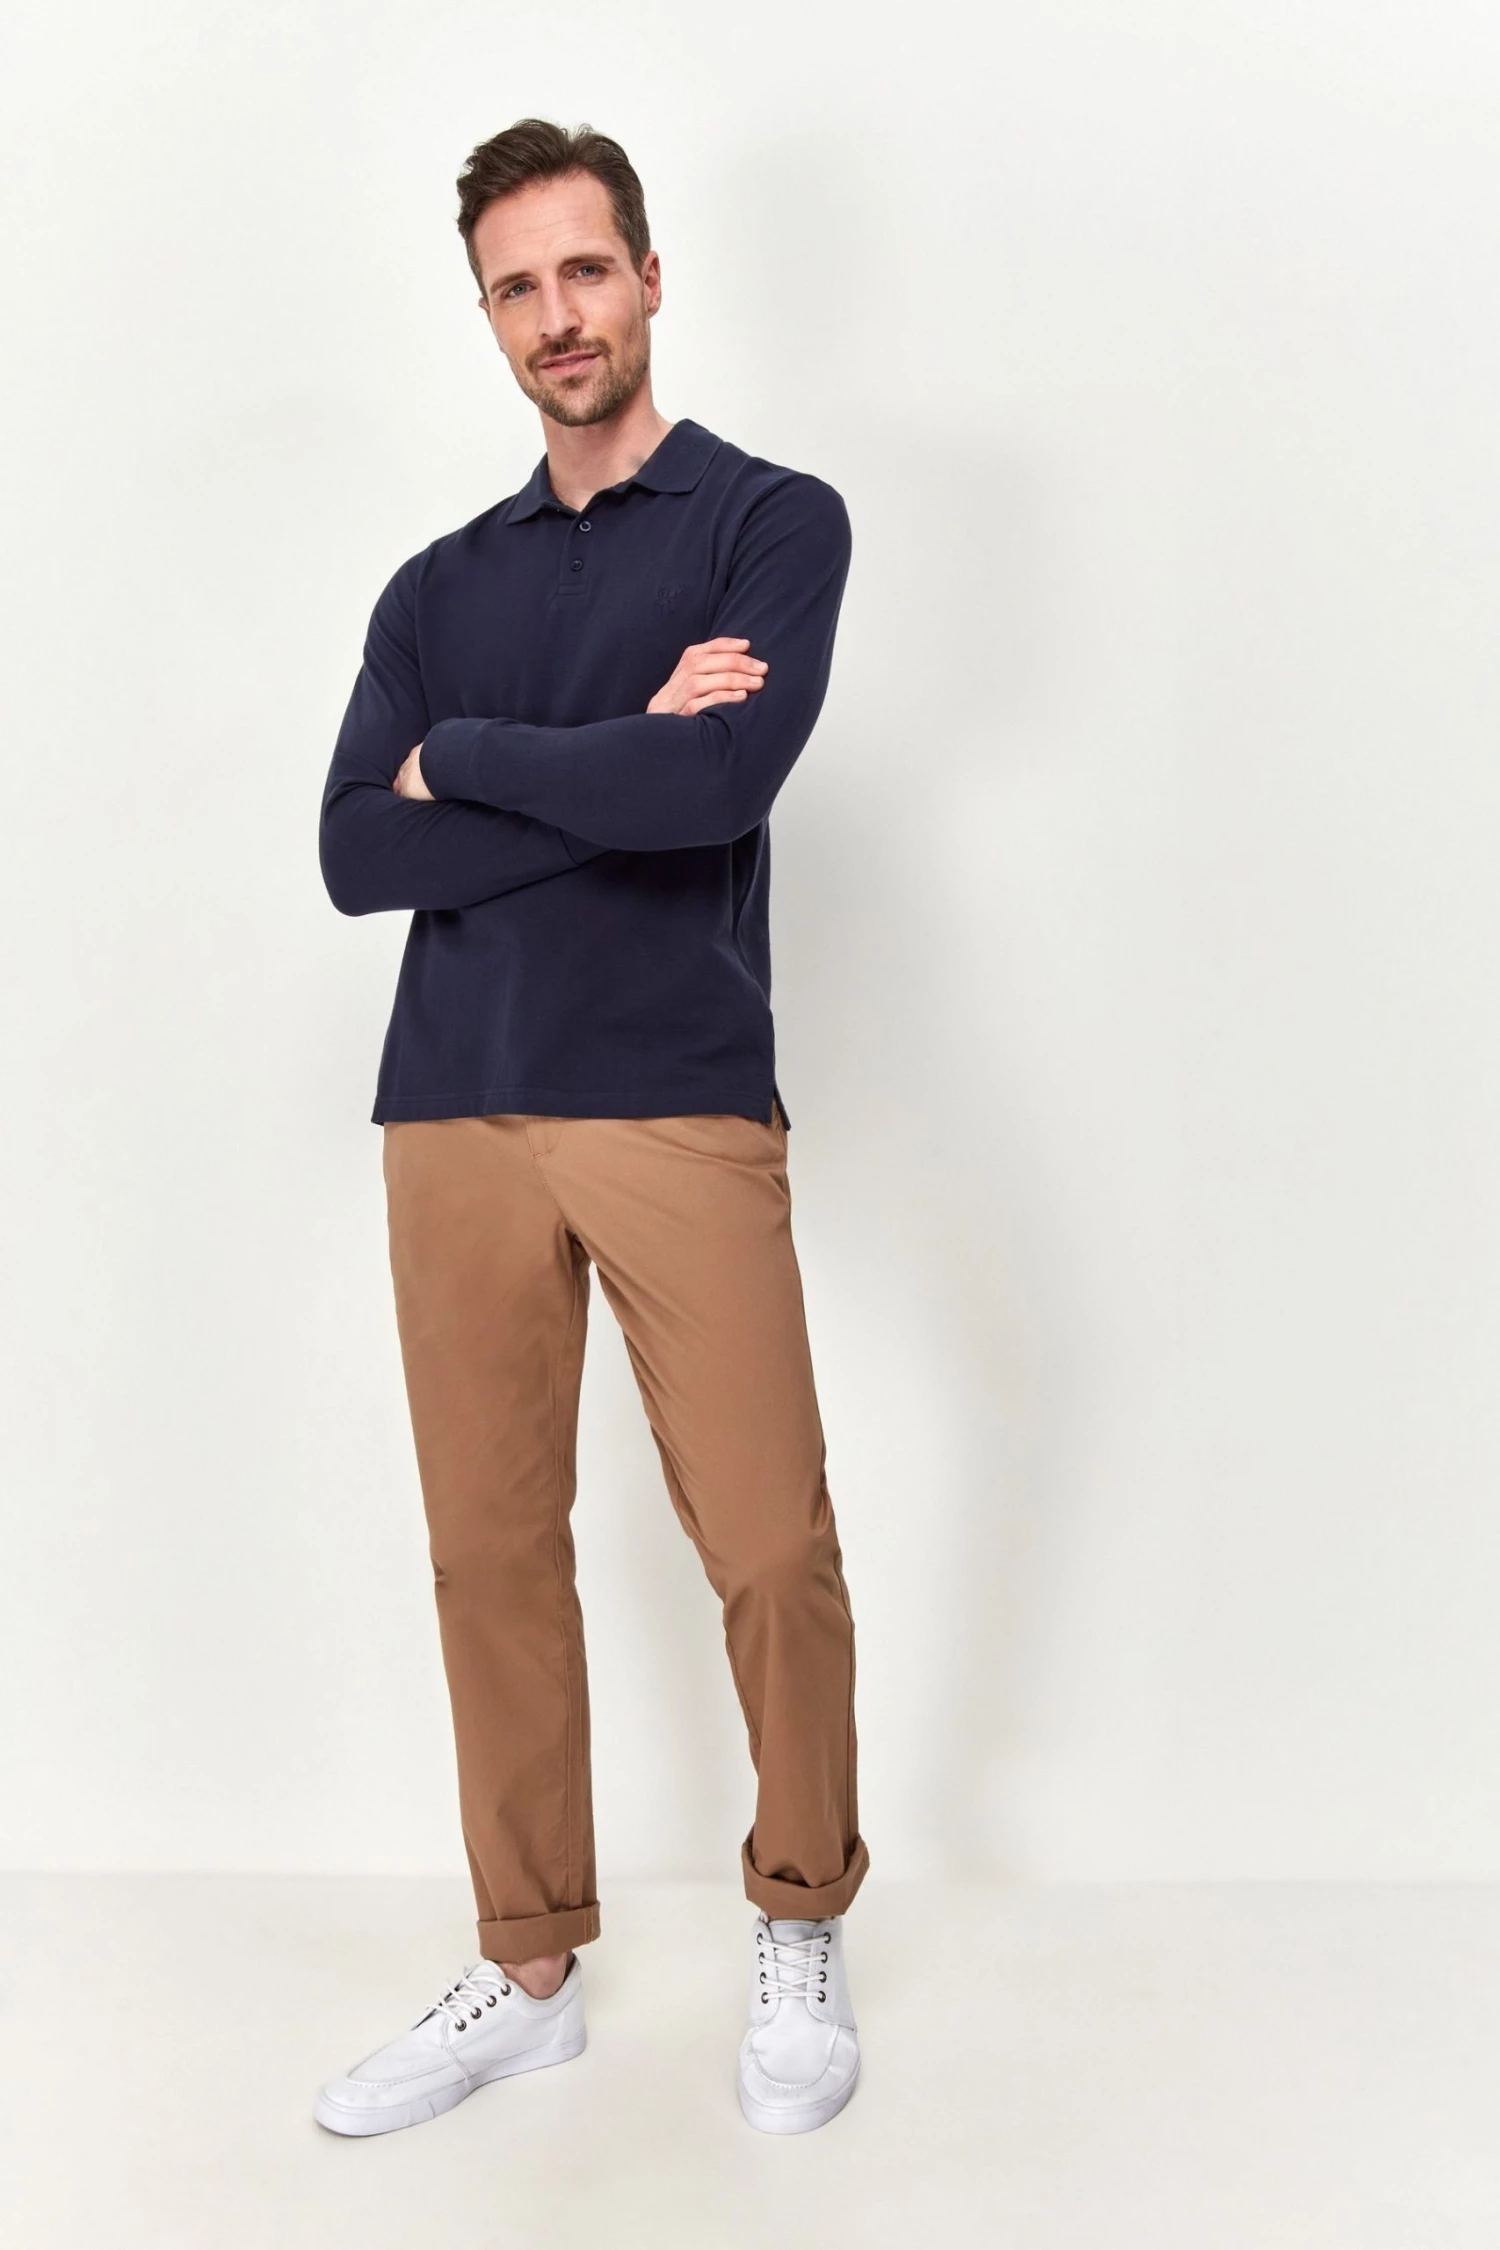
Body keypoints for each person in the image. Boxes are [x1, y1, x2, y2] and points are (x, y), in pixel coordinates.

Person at [312, 116, 868, 2140]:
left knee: (770, 1541)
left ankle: (799, 1913)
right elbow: (356, 853)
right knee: (488, 1553)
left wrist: (469, 764)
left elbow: (714, 790)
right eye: (516, 287)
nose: (557, 315)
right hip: (450, 1106)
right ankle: (529, 1965)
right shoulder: (434, 585)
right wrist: (605, 753)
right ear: (489, 317)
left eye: (584, 271)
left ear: (647, 278)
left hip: (678, 1094)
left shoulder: (770, 523)